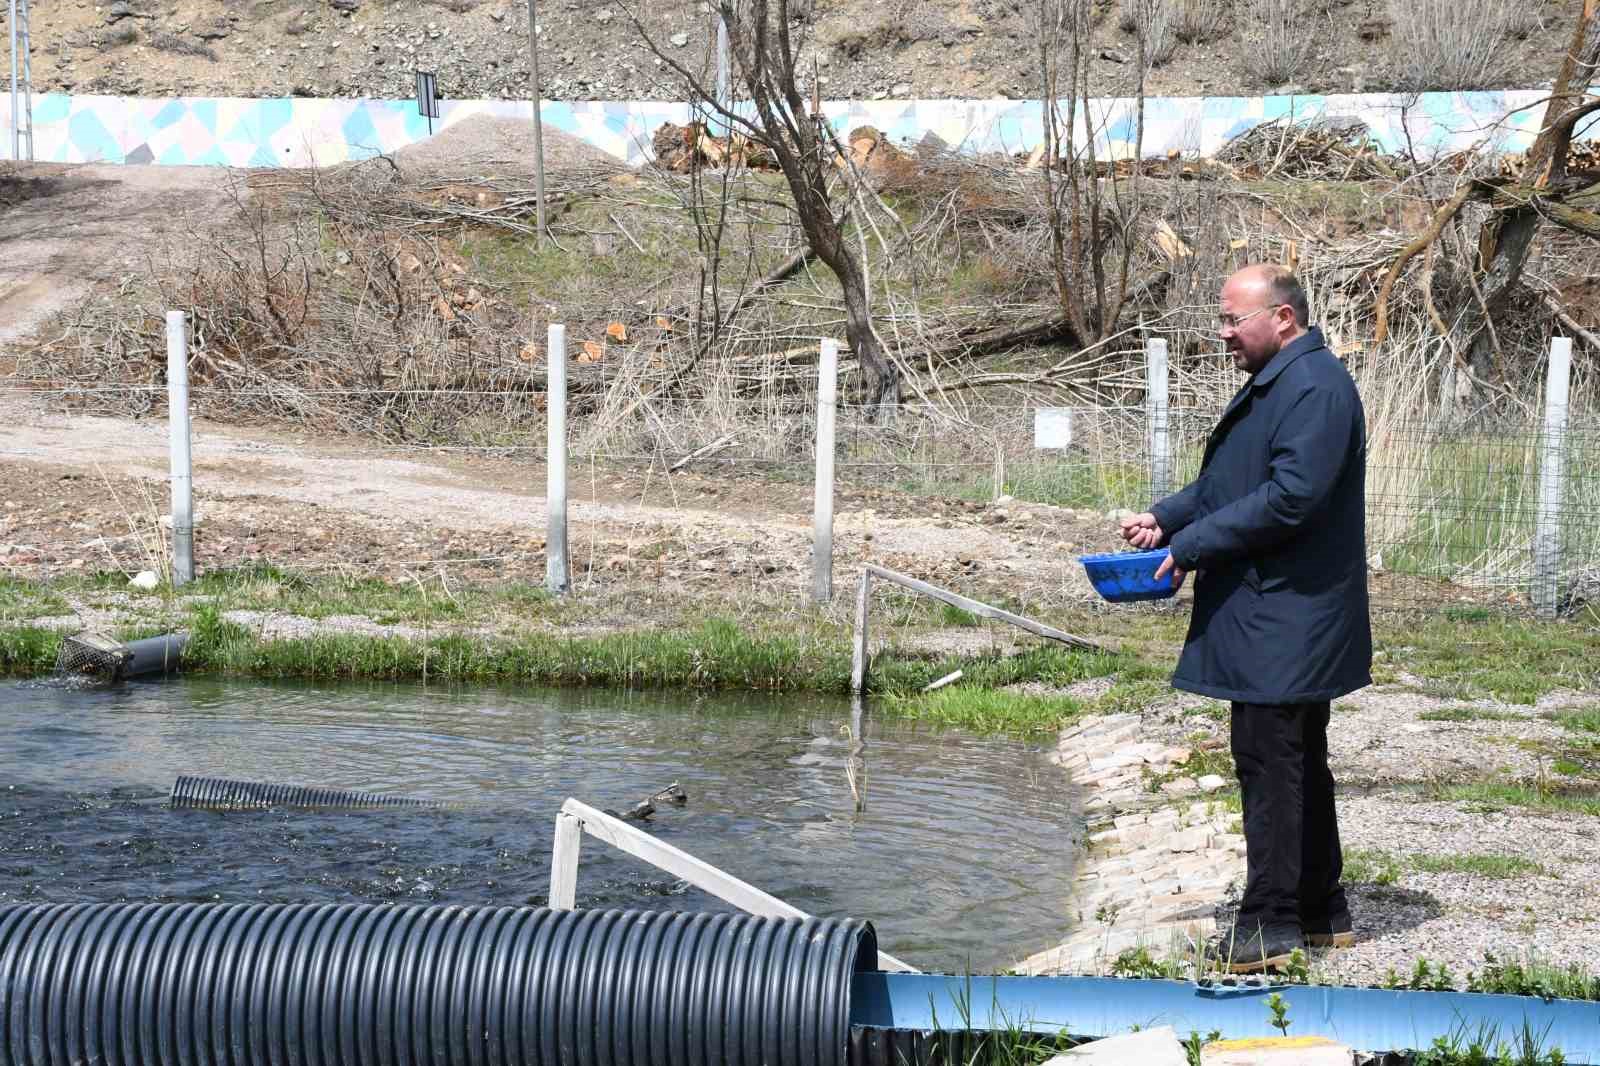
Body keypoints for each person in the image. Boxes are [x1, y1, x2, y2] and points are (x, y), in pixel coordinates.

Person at [1119, 264, 1371, 974]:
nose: (1224, 334)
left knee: (1271, 764)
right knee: (1295, 760)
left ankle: (1270, 924)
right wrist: (1167, 519)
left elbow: (1290, 499)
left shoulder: (1315, 388)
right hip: (1278, 612)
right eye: (1222, 320)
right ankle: (1320, 908)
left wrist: (1191, 547)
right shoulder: (1282, 381)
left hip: (1289, 614)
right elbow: (1232, 484)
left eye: (1234, 320)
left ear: (1283, 318)